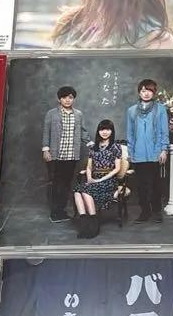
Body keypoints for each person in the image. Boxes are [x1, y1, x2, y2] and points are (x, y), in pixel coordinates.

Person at [42, 85, 90, 223]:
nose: (67, 100)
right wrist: (45, 149)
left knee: (66, 184)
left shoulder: (78, 114)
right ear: (59, 99)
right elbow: (46, 131)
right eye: (64, 97)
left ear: (73, 99)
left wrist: (91, 143)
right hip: (55, 155)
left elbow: (83, 131)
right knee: (56, 183)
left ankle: (61, 211)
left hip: (71, 155)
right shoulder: (51, 113)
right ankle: (54, 213)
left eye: (70, 97)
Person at [125, 79, 169, 223]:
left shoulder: (160, 109)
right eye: (143, 90)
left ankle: (156, 212)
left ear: (154, 92)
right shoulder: (131, 111)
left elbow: (164, 131)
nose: (146, 93)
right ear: (139, 92)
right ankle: (145, 212)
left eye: (149, 90)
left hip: (155, 153)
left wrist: (164, 150)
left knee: (156, 184)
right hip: (138, 154)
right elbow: (130, 134)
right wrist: (130, 153)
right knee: (141, 186)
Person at [72, 119, 126, 234]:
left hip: (109, 180)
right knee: (77, 192)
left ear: (112, 131)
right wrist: (89, 178)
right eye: (102, 129)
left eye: (107, 129)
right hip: (94, 178)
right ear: (98, 131)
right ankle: (85, 224)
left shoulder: (116, 147)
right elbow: (89, 167)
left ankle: (93, 224)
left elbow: (117, 169)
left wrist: (100, 179)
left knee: (84, 191)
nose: (104, 132)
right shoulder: (93, 147)